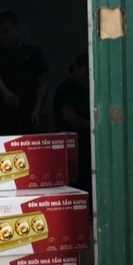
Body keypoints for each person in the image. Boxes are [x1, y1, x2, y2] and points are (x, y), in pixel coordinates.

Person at [0, 9, 49, 135]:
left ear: (17, 28)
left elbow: (43, 83)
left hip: (27, 115)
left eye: (6, 32)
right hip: (0, 118)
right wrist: (6, 93)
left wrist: (37, 110)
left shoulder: (34, 52)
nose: (2, 37)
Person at [53, 52, 92, 199]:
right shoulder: (68, 87)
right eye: (85, 72)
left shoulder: (87, 88)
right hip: (72, 144)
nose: (87, 77)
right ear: (76, 68)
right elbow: (68, 116)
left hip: (84, 143)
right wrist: (92, 127)